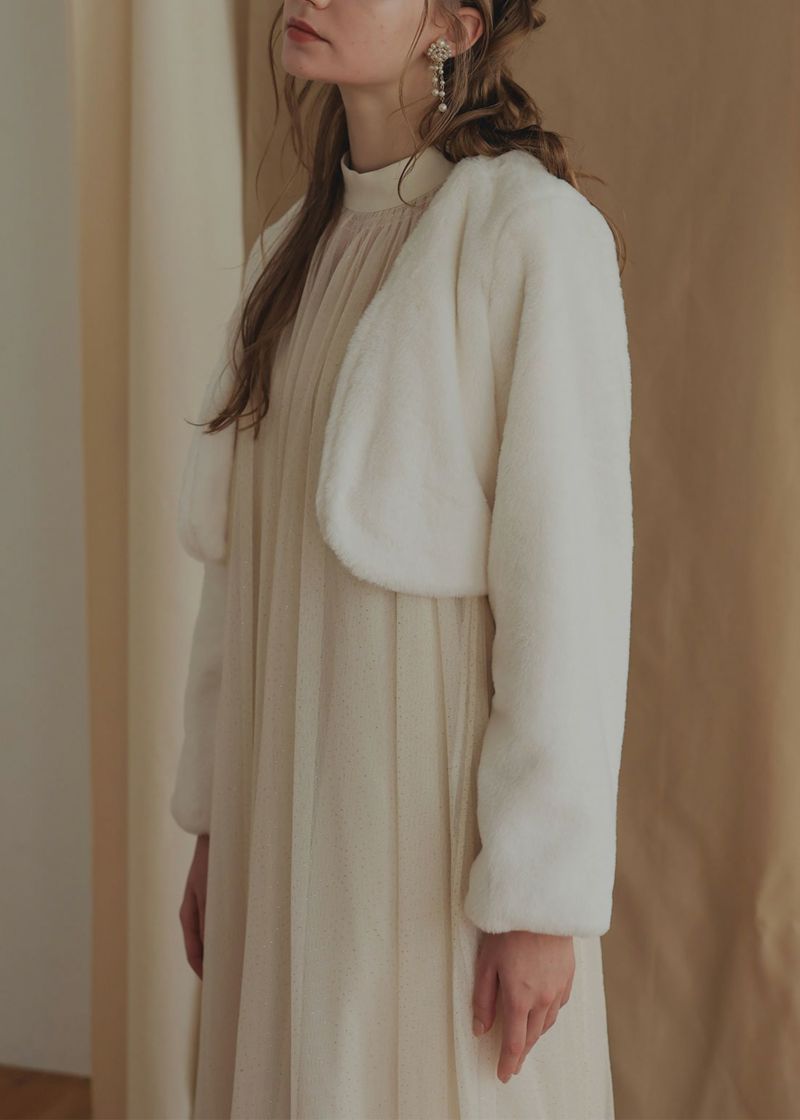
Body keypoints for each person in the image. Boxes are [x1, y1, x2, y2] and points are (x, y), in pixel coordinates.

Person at [171, 0, 633, 1116]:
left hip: (421, 821)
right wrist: (217, 820)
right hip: (282, 790)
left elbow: (569, 587)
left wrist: (536, 898)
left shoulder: (529, 236)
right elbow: (239, 569)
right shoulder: (286, 254)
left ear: (453, 28)